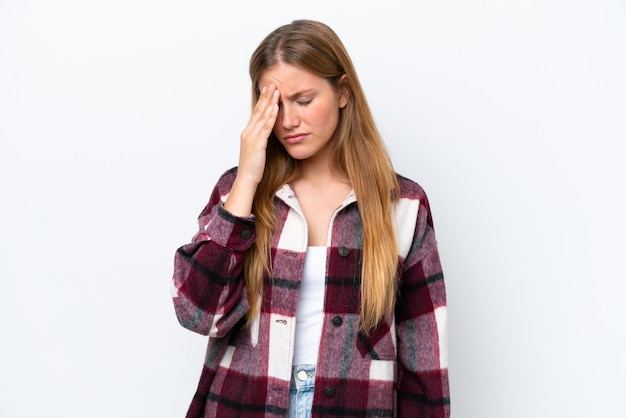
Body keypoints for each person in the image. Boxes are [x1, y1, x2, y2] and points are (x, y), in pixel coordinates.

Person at [171, 19, 450, 418]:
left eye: (303, 100)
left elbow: (426, 357)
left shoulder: (402, 205)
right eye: (275, 105)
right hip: (243, 404)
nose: (287, 121)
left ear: (343, 92)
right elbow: (197, 314)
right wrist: (248, 179)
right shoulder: (238, 195)